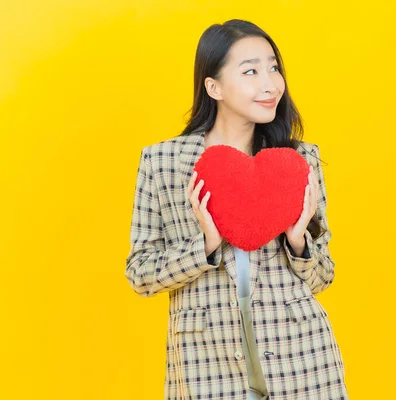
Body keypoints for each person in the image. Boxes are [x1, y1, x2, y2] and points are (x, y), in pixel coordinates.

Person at [125, 19, 348, 400]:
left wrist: (298, 244)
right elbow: (140, 273)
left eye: (273, 67)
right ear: (214, 87)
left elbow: (322, 277)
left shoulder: (298, 160)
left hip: (303, 360)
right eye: (251, 71)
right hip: (205, 365)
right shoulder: (162, 163)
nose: (270, 84)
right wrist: (206, 246)